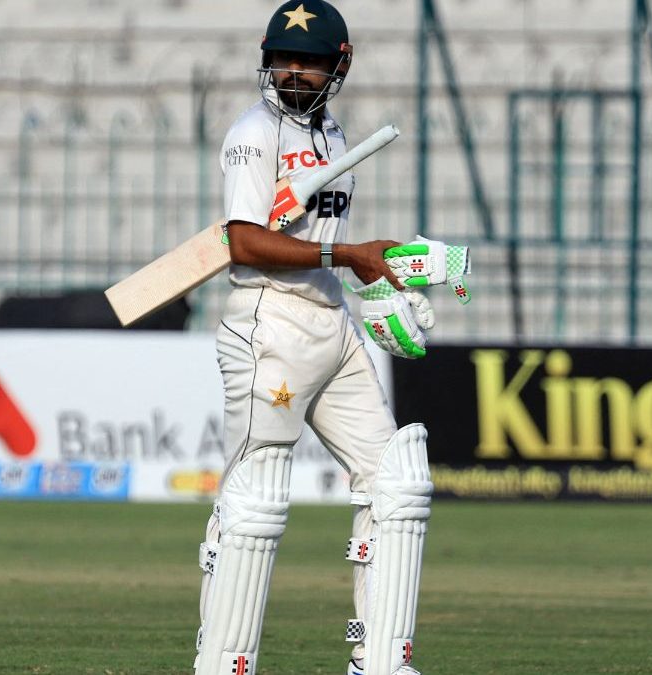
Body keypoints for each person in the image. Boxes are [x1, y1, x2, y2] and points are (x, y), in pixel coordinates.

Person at [191, 2, 468, 674]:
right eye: (283, 59)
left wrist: (373, 283)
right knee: (254, 496)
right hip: (269, 321)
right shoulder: (253, 134)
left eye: (309, 61)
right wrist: (348, 257)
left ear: (337, 65)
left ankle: (379, 658)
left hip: (330, 318)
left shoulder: (335, 135)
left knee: (396, 480)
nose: (293, 71)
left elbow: (322, 240)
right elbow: (243, 242)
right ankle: (224, 662)